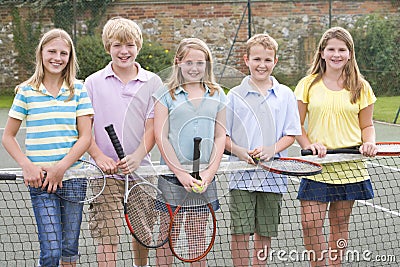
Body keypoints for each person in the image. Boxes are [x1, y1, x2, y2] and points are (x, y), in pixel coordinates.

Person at [1, 29, 94, 266]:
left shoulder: (79, 90)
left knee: (69, 248)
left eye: (64, 53)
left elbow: (85, 137)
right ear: (41, 53)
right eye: (52, 51)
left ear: (70, 57)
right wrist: (26, 166)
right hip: (40, 180)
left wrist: (61, 168)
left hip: (73, 179)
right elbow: (8, 137)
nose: (57, 57)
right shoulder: (26, 91)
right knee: (51, 251)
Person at [294, 26, 378, 267]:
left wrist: (370, 142)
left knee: (340, 224)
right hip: (317, 167)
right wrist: (310, 145)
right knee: (310, 224)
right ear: (322, 52)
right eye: (331, 49)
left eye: (342, 49)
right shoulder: (307, 84)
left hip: (349, 167)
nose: (336, 54)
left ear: (350, 54)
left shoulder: (361, 87)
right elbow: (297, 125)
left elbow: (367, 126)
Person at [84, 17, 163, 267]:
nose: (124, 51)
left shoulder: (153, 82)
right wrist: (99, 157)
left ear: (138, 46)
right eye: (117, 45)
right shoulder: (93, 83)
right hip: (103, 174)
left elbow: (152, 126)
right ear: (108, 47)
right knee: (107, 237)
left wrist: (138, 156)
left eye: (129, 45)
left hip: (141, 171)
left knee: (143, 234)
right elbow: (84, 129)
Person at [224, 33, 302, 266]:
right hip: (241, 177)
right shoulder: (235, 96)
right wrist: (240, 152)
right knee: (240, 232)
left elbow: (291, 134)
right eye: (257, 59)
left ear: (275, 61)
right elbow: (223, 136)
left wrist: (271, 149)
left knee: (264, 232)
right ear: (246, 60)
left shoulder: (286, 94)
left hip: (273, 177)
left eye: (267, 60)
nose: (262, 65)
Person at [153, 37, 227, 267]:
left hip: (203, 178)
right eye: (189, 63)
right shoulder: (165, 94)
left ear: (207, 65)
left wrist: (209, 174)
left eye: (200, 63)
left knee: (197, 238)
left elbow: (220, 135)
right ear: (178, 63)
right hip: (171, 177)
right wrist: (181, 174)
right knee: (167, 238)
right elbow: (161, 137)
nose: (194, 68)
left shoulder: (217, 94)